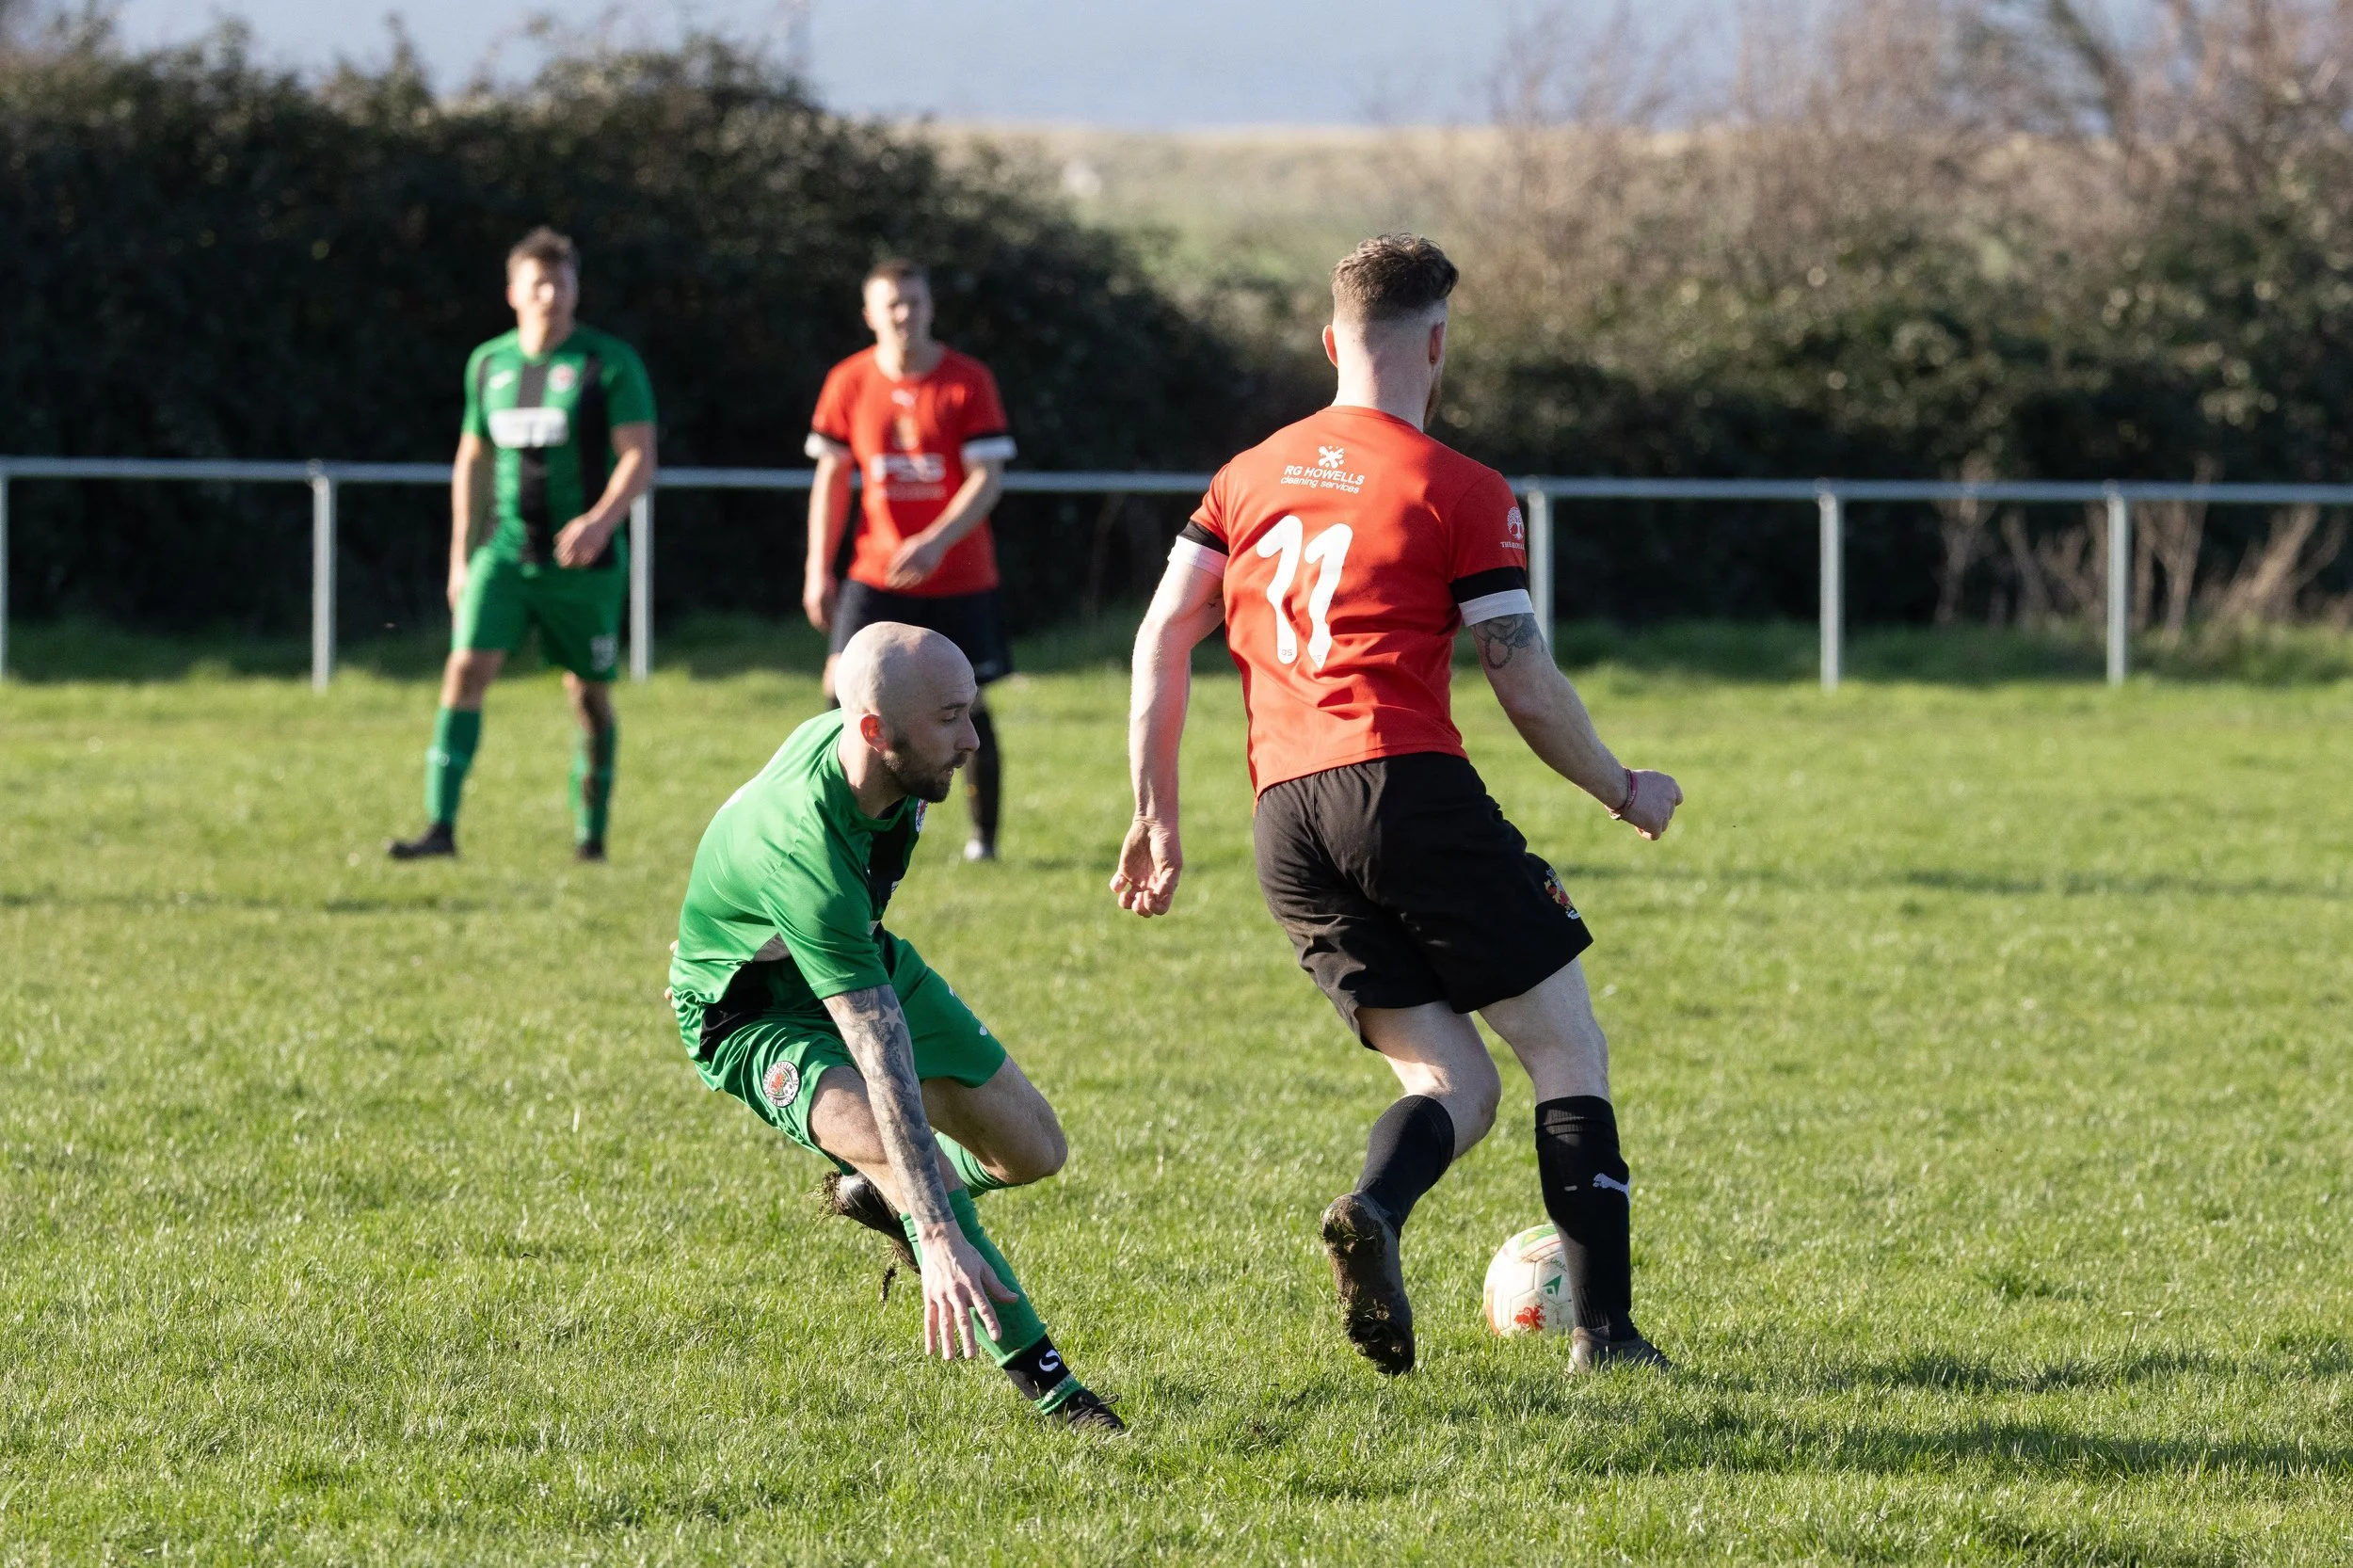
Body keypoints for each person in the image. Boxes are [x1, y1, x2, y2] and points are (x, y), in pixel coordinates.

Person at [1114, 234, 1683, 1377]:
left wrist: (1154, 812)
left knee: (1452, 1082)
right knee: (1565, 1051)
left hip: (1284, 817)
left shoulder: (1247, 474)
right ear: (1436, 345)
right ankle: (1606, 1338)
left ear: (1331, 343)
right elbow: (1519, 675)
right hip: (1403, 786)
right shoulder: (1459, 488)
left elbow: (1163, 635)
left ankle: (1372, 1208)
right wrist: (1623, 787)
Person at [665, 622, 1122, 1431]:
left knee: (1034, 1152)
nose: (971, 739)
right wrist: (936, 1225)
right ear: (875, 732)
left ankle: (888, 1194)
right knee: (927, 1181)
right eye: (950, 718)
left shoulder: (884, 761)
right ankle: (1060, 1394)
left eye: (969, 711)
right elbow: (881, 1054)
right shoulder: (805, 852)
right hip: (750, 1011)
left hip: (857, 955)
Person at [388, 227, 656, 863]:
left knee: (586, 694)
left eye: (561, 282)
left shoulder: (608, 363)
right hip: (505, 554)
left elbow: (640, 458)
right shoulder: (489, 363)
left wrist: (600, 520)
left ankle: (591, 835)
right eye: (537, 282)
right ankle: (440, 827)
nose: (550, 294)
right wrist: (461, 557)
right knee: (464, 669)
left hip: (583, 565)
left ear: (575, 290)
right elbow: (473, 461)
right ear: (513, 292)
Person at [802, 259, 1017, 862]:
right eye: (891, 304)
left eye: (914, 302)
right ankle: (836, 828)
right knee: (840, 690)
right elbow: (832, 478)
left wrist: (937, 540)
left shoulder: (967, 381)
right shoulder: (848, 381)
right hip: (876, 574)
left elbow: (988, 479)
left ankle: (984, 841)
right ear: (869, 314)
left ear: (930, 308)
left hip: (958, 576)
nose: (904, 314)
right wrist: (818, 568)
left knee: (968, 702)